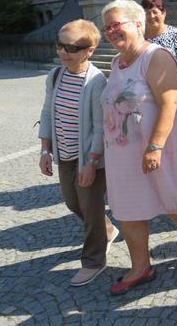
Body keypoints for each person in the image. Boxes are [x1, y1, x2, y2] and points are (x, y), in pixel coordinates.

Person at [100, 0, 177, 295]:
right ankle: (140, 266)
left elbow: (171, 101)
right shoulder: (115, 62)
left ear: (137, 23)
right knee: (129, 209)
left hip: (159, 150)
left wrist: (155, 145)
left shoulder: (155, 57)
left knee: (176, 202)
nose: (111, 31)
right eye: (107, 27)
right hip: (123, 155)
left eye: (116, 24)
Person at [38, 19, 118, 287]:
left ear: (89, 50)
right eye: (60, 45)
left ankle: (94, 260)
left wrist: (92, 162)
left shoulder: (96, 81)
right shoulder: (55, 75)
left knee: (91, 208)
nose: (63, 52)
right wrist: (45, 150)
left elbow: (99, 127)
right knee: (73, 203)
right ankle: (107, 230)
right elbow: (48, 112)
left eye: (71, 48)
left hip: (90, 159)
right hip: (65, 155)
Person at [141, 0, 177, 106]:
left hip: (171, 93)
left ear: (163, 13)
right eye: (147, 13)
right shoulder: (140, 37)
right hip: (145, 96)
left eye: (155, 12)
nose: (151, 16)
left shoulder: (174, 34)